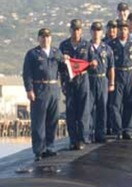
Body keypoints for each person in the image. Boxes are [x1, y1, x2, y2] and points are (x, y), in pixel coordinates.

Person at [23, 28, 65, 161]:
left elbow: (63, 70)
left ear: (50, 38)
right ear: (38, 38)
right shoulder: (32, 54)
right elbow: (27, 73)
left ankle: (50, 147)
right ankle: (39, 150)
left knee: (53, 120)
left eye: (47, 37)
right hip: (39, 88)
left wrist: (66, 61)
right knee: (38, 121)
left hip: (53, 88)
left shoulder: (56, 52)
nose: (45, 39)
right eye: (42, 37)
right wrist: (29, 90)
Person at [59, 19, 91, 150]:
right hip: (69, 81)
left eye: (78, 29)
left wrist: (93, 63)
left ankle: (83, 138)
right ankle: (73, 139)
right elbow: (60, 67)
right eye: (73, 29)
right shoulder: (64, 46)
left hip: (83, 80)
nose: (76, 31)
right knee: (71, 111)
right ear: (70, 30)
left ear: (81, 30)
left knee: (83, 111)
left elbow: (92, 61)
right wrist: (62, 84)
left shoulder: (86, 45)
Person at [108, 20, 132, 140]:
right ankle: (118, 129)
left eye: (125, 29)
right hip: (117, 74)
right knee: (115, 105)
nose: (123, 31)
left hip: (130, 74)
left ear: (128, 31)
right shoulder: (111, 45)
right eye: (121, 29)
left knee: (130, 103)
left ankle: (128, 129)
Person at [87, 22, 114, 144]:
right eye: (94, 30)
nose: (96, 32)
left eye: (98, 30)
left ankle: (100, 133)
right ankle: (89, 133)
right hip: (90, 79)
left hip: (102, 79)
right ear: (91, 32)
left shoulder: (107, 48)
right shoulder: (86, 47)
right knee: (89, 107)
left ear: (101, 32)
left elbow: (111, 67)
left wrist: (111, 82)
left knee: (102, 107)